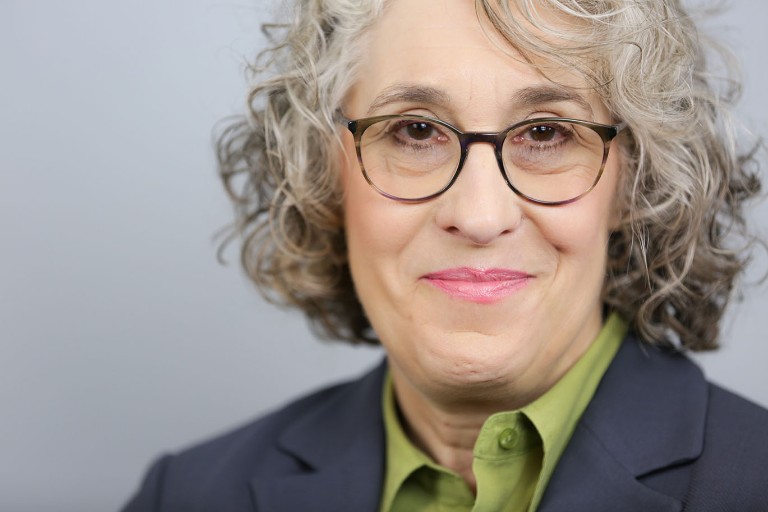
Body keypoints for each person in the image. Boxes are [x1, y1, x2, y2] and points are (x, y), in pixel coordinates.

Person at [122, 0, 768, 510]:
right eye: (415, 131)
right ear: (322, 173)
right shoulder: (186, 495)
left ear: (635, 180)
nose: (480, 216)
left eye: (546, 133)